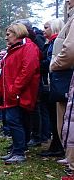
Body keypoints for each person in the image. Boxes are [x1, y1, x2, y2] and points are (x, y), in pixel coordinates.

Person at [0, 23, 40, 164]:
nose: (6, 37)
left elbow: (28, 70)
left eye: (8, 34)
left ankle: (19, 152)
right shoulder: (14, 49)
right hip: (13, 93)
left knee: (14, 120)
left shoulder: (28, 47)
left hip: (20, 93)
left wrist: (14, 89)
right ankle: (17, 149)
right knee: (16, 120)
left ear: (17, 33)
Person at [48, 0, 74, 180]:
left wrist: (54, 64)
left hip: (67, 75)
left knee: (70, 122)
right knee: (66, 121)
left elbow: (69, 50)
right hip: (66, 77)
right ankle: (70, 160)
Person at [39, 18, 65, 157]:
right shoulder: (49, 44)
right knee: (52, 116)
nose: (44, 30)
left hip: (54, 85)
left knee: (56, 116)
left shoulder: (56, 44)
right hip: (50, 84)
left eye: (46, 27)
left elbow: (51, 63)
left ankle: (58, 146)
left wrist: (38, 64)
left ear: (54, 28)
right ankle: (55, 145)